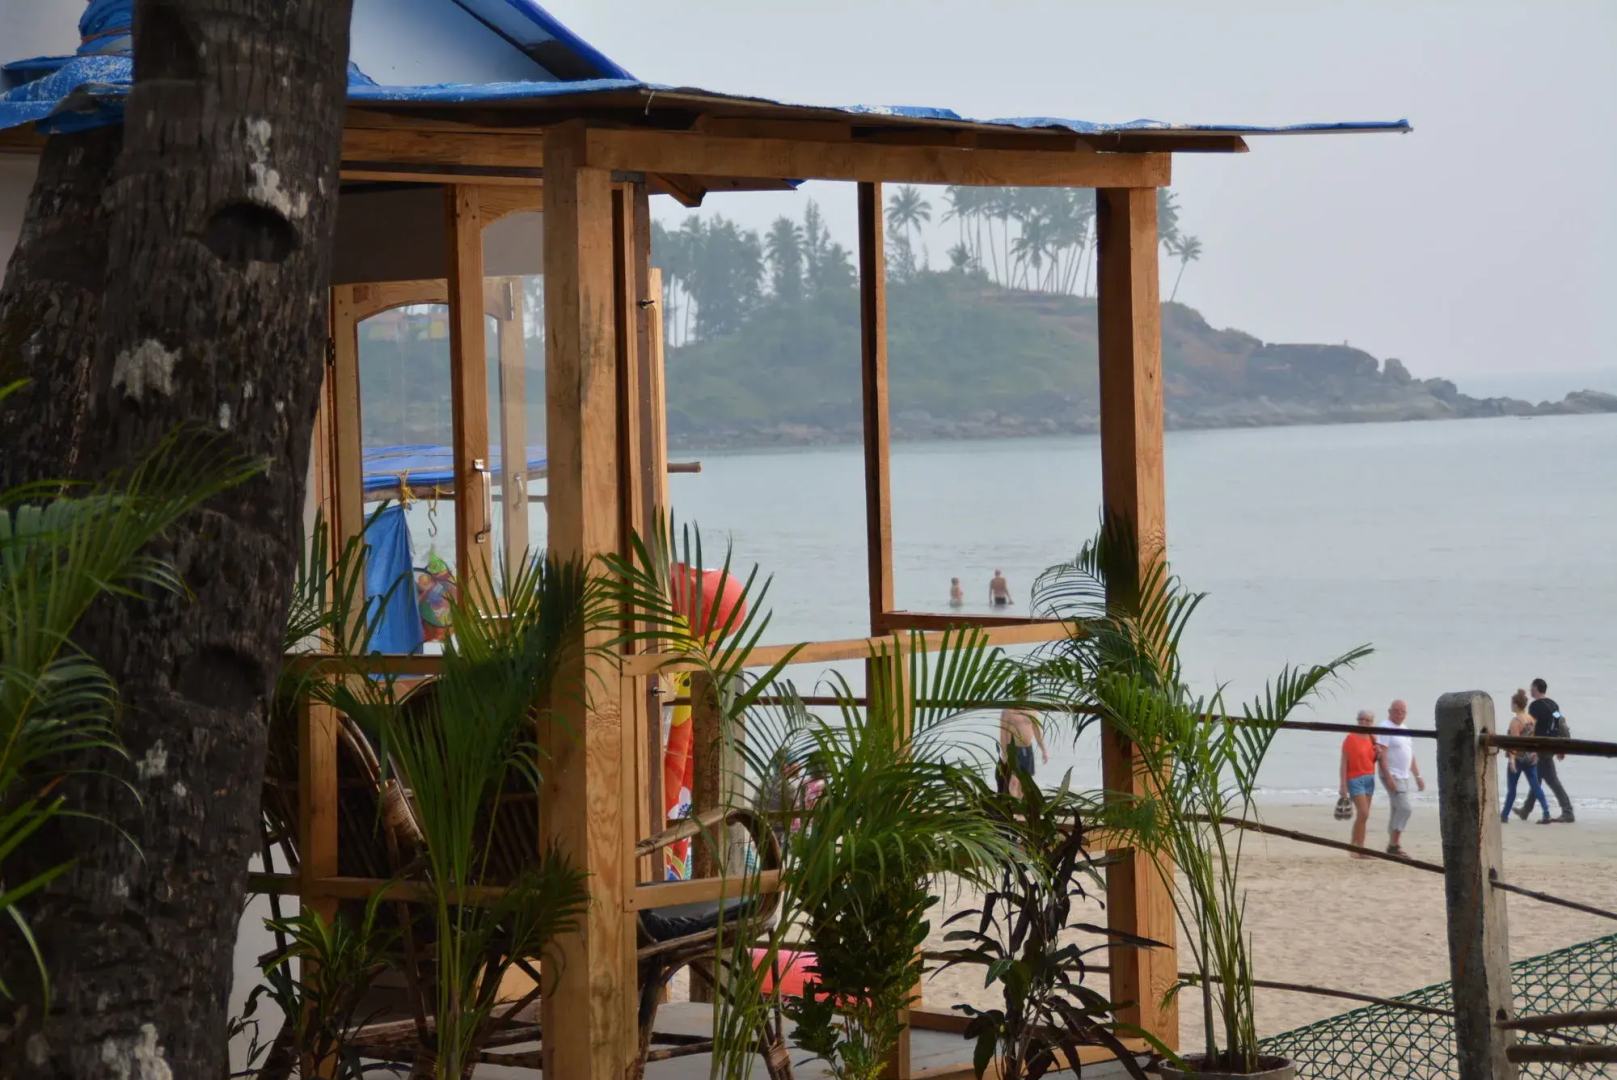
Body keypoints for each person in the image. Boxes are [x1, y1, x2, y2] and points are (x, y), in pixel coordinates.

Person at [1514, 677, 1574, 823]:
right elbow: (1561, 723)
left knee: (1552, 781)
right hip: (1552, 745)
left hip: (1540, 746)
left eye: (1531, 687)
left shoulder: (1535, 706)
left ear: (1535, 688)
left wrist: (1528, 748)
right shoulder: (1553, 705)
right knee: (1538, 778)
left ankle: (1568, 811)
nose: (1530, 690)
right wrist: (1563, 746)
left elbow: (1531, 727)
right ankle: (1525, 810)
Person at [1374, 699, 1424, 857]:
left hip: (1404, 775)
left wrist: (1418, 776)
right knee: (1405, 809)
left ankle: (1392, 846)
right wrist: (1388, 776)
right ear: (1389, 711)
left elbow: (1410, 754)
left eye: (1403, 711)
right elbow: (1381, 752)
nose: (1400, 714)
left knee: (1396, 810)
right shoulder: (1385, 727)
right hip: (1392, 774)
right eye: (1396, 711)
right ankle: (1394, 844)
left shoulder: (1404, 728)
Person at [1501, 688, 1552, 825]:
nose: (1511, 705)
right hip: (1530, 758)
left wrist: (1511, 761)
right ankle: (1546, 812)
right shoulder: (1530, 719)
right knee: (1536, 786)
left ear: (1516, 704)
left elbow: (1514, 744)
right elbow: (1531, 737)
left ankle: (1504, 815)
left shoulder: (1515, 722)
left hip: (1518, 759)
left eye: (1512, 703)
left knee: (1512, 789)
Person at [1338, 709, 1380, 855]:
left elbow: (1374, 759)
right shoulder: (1350, 738)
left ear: (1372, 723)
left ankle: (1353, 846)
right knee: (1364, 813)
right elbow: (1344, 764)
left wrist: (1379, 754)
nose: (1364, 722)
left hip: (1369, 778)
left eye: (1368, 720)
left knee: (1363, 816)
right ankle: (1360, 849)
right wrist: (1343, 785)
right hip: (1355, 778)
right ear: (1357, 720)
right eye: (1362, 719)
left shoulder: (1373, 738)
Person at [999, 700, 1049, 797]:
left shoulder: (1032, 710)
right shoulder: (1008, 711)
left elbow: (1037, 731)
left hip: (1027, 749)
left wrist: (1044, 750)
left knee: (1024, 783)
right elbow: (1003, 734)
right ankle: (1015, 807)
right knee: (1014, 782)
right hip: (1012, 750)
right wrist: (1004, 753)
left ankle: (1020, 810)